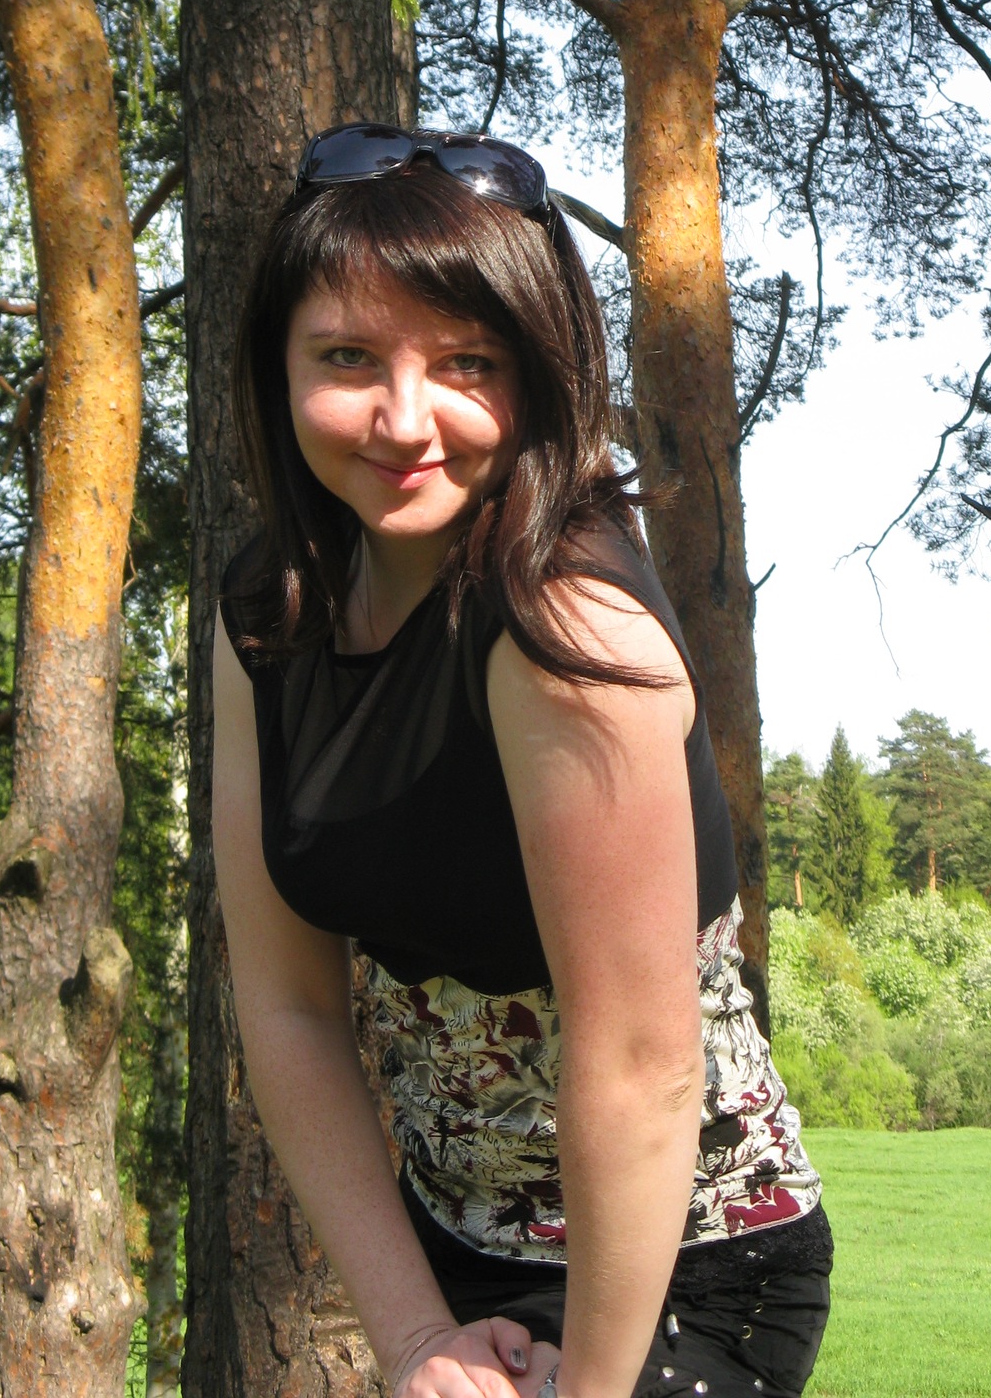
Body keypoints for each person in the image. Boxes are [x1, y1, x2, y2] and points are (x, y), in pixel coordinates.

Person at [213, 123, 832, 1398]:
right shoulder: (270, 613)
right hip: (450, 1254)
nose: (404, 420)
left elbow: (641, 1063)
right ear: (278, 364)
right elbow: (288, 1008)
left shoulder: (568, 629)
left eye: (466, 362)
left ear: (541, 374)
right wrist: (414, 1338)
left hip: (684, 1264)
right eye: (347, 356)